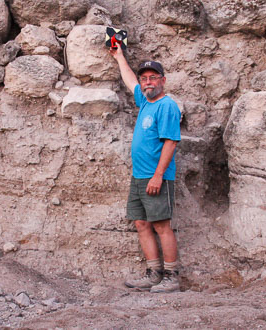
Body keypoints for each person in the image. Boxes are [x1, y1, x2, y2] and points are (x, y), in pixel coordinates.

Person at [110, 46, 182, 293]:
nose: (147, 82)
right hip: (139, 177)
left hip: (156, 178)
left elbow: (171, 142)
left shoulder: (167, 106)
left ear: (163, 80)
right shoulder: (145, 100)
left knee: (162, 225)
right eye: (145, 79)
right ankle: (154, 273)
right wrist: (119, 56)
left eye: (153, 78)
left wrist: (158, 176)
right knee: (141, 223)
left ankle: (171, 276)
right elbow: (130, 81)